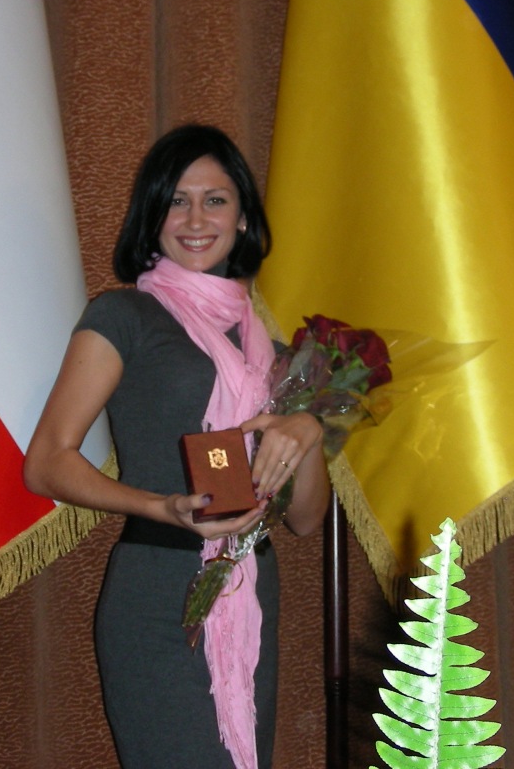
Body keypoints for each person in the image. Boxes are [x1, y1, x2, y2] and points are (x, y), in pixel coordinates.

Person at [24, 124, 329, 769]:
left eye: (215, 200)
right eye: (176, 201)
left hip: (250, 591)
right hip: (158, 591)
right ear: (152, 215)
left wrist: (307, 429)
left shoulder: (275, 355)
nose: (195, 219)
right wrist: (161, 507)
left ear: (242, 218)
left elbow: (305, 519)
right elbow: (46, 462)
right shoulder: (123, 317)